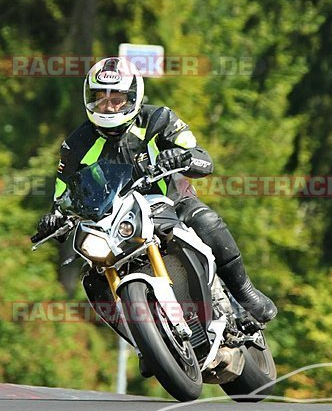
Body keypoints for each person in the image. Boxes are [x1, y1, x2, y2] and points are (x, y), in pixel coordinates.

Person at [34, 57, 277, 324]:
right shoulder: (75, 144)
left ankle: (245, 294)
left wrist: (181, 158)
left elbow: (202, 157)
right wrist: (55, 217)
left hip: (170, 203)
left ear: (133, 96)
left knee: (203, 218)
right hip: (114, 224)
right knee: (92, 278)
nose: (108, 104)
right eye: (100, 97)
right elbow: (63, 194)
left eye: (117, 97)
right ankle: (142, 344)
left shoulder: (158, 119)